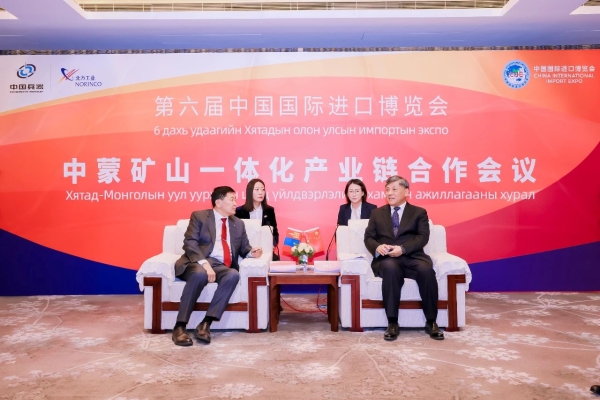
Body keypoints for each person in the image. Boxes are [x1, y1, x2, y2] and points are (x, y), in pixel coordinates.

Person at [171, 186, 263, 346]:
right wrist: (205, 264)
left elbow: (244, 248)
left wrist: (252, 252)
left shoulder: (238, 223)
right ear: (218, 202)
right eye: (232, 199)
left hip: (221, 266)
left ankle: (205, 324)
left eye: (235, 199)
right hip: (197, 262)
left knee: (233, 274)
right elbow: (190, 243)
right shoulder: (200, 217)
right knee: (200, 274)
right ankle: (180, 326)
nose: (235, 203)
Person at [364, 175, 443, 341]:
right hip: (387, 259)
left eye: (394, 189)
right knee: (391, 270)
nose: (389, 193)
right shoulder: (377, 213)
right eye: (387, 190)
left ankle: (432, 321)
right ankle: (392, 322)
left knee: (426, 271)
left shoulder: (419, 212)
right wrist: (377, 247)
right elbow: (369, 237)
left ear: (406, 191)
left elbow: (423, 237)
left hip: (412, 257)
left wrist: (403, 249)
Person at [235, 178, 279, 249]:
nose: (260, 192)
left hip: (266, 248)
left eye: (263, 189)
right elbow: (236, 234)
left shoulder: (269, 210)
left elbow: (274, 232)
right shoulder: (239, 211)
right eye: (257, 189)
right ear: (250, 192)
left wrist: (273, 244)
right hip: (246, 250)